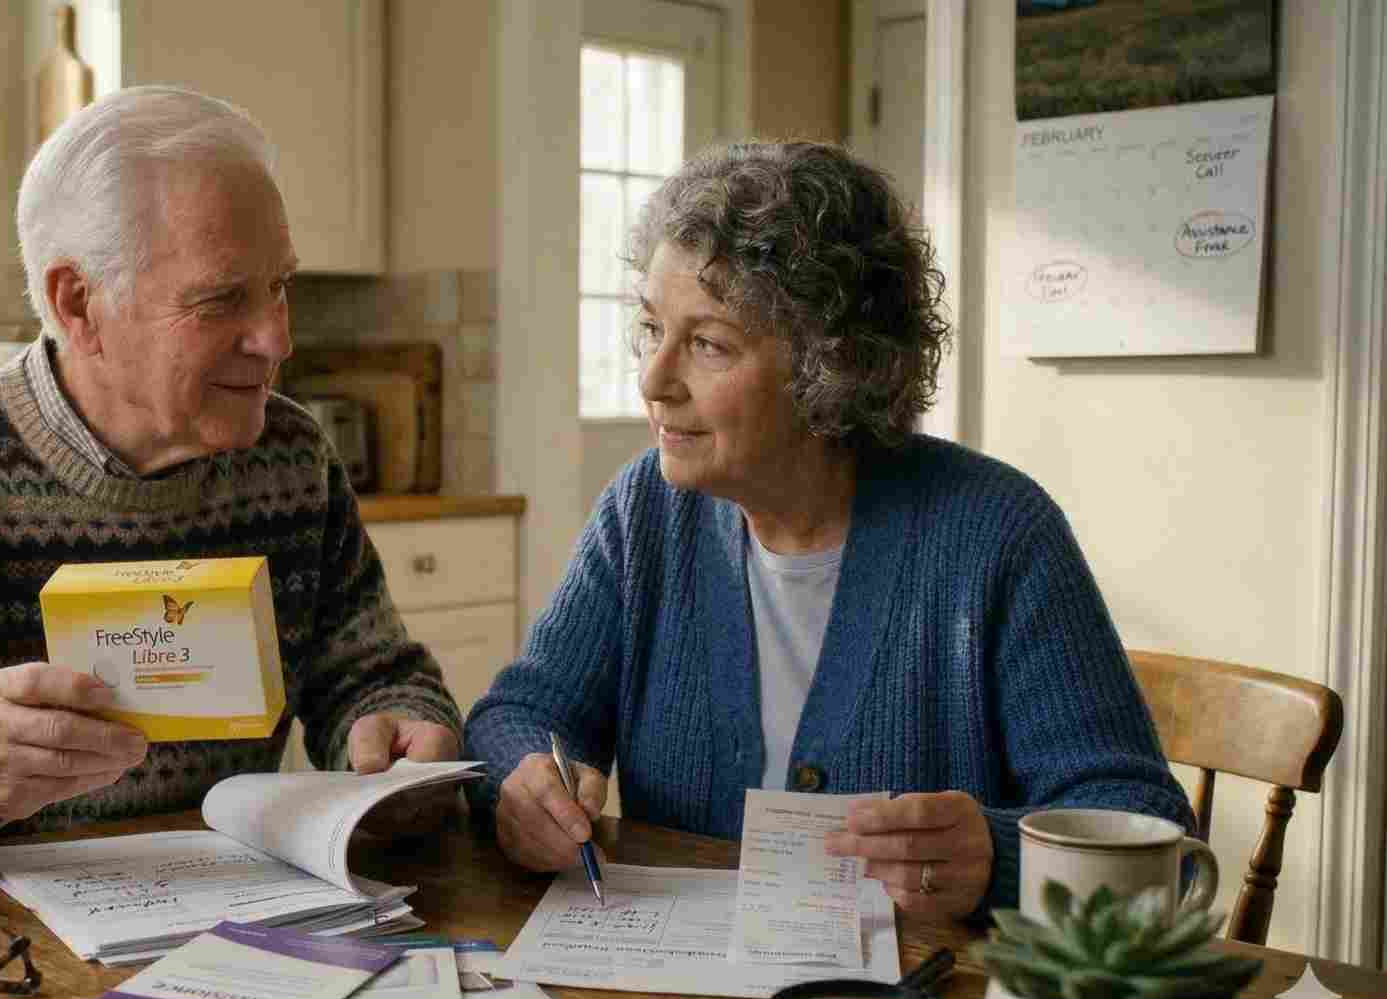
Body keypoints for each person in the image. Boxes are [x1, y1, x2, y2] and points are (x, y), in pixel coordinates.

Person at [0, 86, 462, 867]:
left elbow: (375, 676)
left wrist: (401, 726)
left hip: (224, 934)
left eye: (279, 285)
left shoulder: (290, 459)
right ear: (79, 305)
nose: (277, 339)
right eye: (221, 299)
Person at [464, 141, 1193, 919]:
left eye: (707, 342)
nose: (652, 379)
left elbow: (1151, 836)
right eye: (652, 328)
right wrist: (526, 779)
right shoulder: (643, 511)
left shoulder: (997, 534)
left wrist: (999, 855)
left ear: (830, 365)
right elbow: (520, 713)